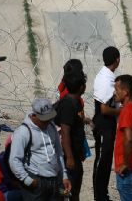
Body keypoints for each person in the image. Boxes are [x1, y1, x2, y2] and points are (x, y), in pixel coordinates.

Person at [10, 98, 72, 201]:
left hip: (55, 181)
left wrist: (64, 176)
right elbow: (14, 160)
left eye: (49, 118)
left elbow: (58, 152)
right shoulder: (23, 132)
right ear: (34, 116)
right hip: (36, 182)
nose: (48, 122)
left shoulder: (51, 127)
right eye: (44, 119)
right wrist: (28, 180)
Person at [92, 46, 121, 201]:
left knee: (106, 159)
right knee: (102, 160)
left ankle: (102, 193)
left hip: (107, 125)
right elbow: (104, 109)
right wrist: (122, 112)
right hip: (104, 124)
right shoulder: (106, 79)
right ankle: (100, 195)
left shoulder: (107, 75)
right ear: (117, 59)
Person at [54, 71, 87, 201]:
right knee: (67, 191)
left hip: (74, 154)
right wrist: (70, 157)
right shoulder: (68, 105)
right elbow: (65, 132)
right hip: (69, 157)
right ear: (81, 87)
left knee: (73, 189)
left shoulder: (73, 102)